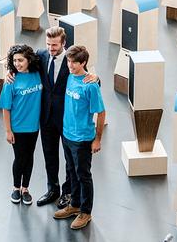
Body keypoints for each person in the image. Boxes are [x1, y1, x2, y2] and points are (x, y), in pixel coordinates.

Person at [6, 27, 98, 209]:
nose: (51, 48)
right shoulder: (41, 55)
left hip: (66, 118)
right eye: (48, 44)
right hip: (45, 118)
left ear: (64, 43)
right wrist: (9, 73)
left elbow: (85, 76)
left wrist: (96, 77)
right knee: (49, 156)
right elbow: (21, 62)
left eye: (55, 45)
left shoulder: (71, 61)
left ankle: (67, 193)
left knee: (69, 160)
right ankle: (52, 189)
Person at [53, 45, 105, 230]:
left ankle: (86, 212)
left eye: (74, 62)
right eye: (68, 61)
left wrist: (97, 139)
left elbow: (101, 112)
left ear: (84, 63)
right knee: (72, 172)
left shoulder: (90, 85)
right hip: (67, 135)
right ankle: (74, 205)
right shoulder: (68, 76)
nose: (70, 65)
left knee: (84, 176)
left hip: (83, 138)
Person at [0, 44, 42, 205]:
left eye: (21, 60)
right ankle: (16, 188)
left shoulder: (38, 74)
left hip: (34, 127)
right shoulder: (11, 81)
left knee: (29, 157)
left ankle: (25, 188)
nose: (17, 64)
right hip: (18, 128)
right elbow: (6, 108)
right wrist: (8, 131)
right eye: (14, 60)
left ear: (29, 60)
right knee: (19, 158)